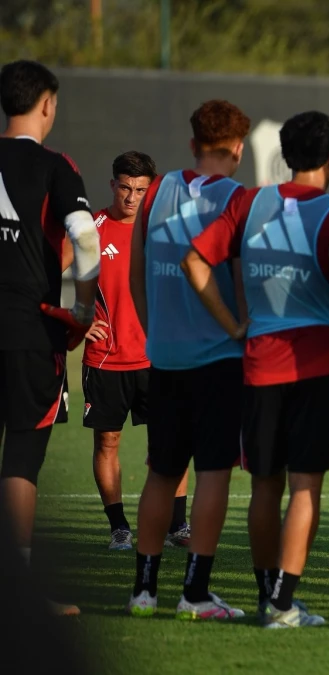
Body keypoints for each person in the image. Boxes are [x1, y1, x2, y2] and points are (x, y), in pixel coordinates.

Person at [183, 110, 329, 628]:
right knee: (306, 488)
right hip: (316, 369)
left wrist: (236, 326)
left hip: (260, 366)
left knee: (265, 486)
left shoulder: (249, 202)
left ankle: (268, 596)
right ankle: (283, 604)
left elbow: (196, 261)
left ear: (286, 154)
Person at [126, 100, 251, 621]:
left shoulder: (156, 191)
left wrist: (156, 331)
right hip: (218, 359)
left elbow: (136, 270)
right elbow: (241, 283)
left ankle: (143, 592)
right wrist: (240, 331)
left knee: (161, 473)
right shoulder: (238, 199)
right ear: (238, 147)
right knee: (213, 475)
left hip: (165, 356)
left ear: (194, 142)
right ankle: (195, 594)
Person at [0, 59, 100, 618]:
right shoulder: (55, 166)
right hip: (26, 331)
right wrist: (83, 309)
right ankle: (16, 598)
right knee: (20, 461)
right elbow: (85, 240)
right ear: (46, 105)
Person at [83, 151, 191, 551]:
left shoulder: (162, 230)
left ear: (152, 187)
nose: (131, 197)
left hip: (158, 358)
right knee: (107, 442)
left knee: (172, 440)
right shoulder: (89, 229)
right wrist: (76, 320)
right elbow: (46, 270)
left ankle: (178, 525)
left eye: (141, 190)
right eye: (125, 188)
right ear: (113, 184)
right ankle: (119, 528)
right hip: (106, 359)